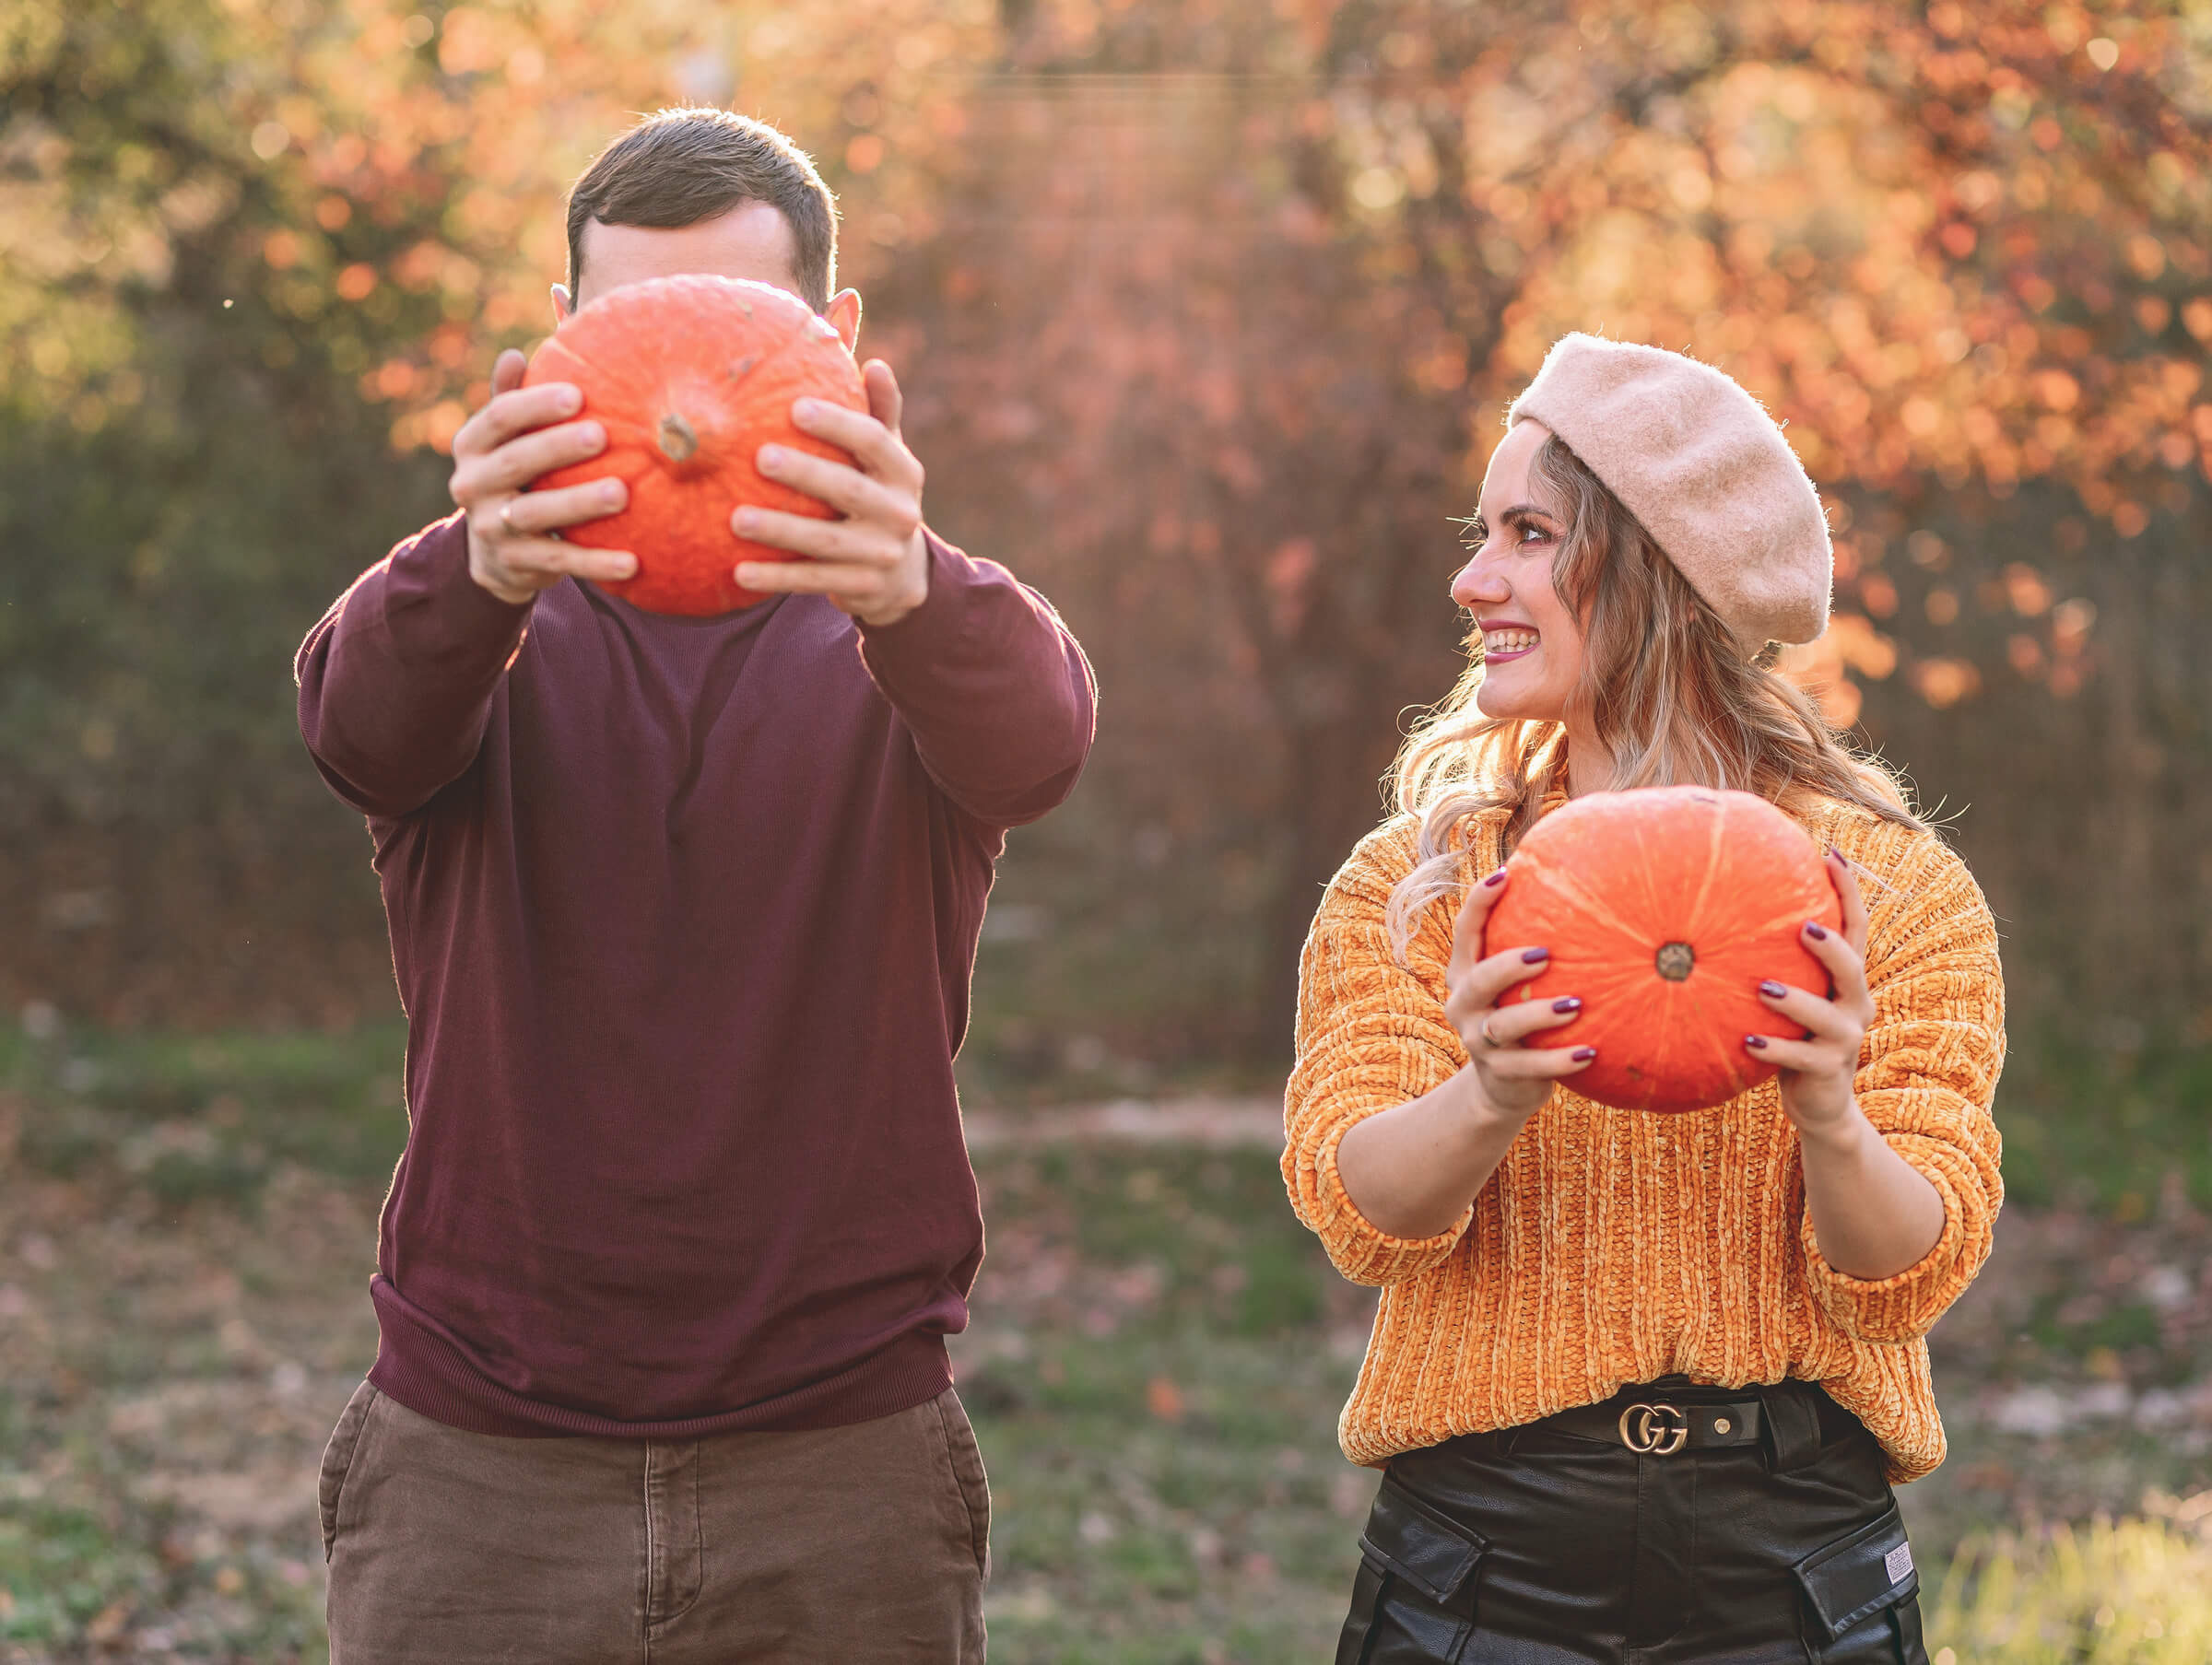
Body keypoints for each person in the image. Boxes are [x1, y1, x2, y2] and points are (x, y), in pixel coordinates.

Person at [296, 107, 1094, 1664]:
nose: (681, 392)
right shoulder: (476, 608)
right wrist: (472, 565)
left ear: (837, 341)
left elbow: (1038, 747)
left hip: (840, 1464)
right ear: (557, 348)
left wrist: (919, 588)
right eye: (625, 328)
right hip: (482, 1466)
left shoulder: (909, 623)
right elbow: (359, 735)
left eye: (736, 328)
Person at [1283, 334, 2002, 1664]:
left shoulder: (1891, 891)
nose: (1470, 576)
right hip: (1485, 1571)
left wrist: (1833, 1116)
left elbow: (1908, 1272)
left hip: (1793, 1578)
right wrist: (1489, 1089)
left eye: (1527, 533)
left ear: (1659, 571)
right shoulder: (1424, 881)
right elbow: (1360, 1213)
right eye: (1478, 530)